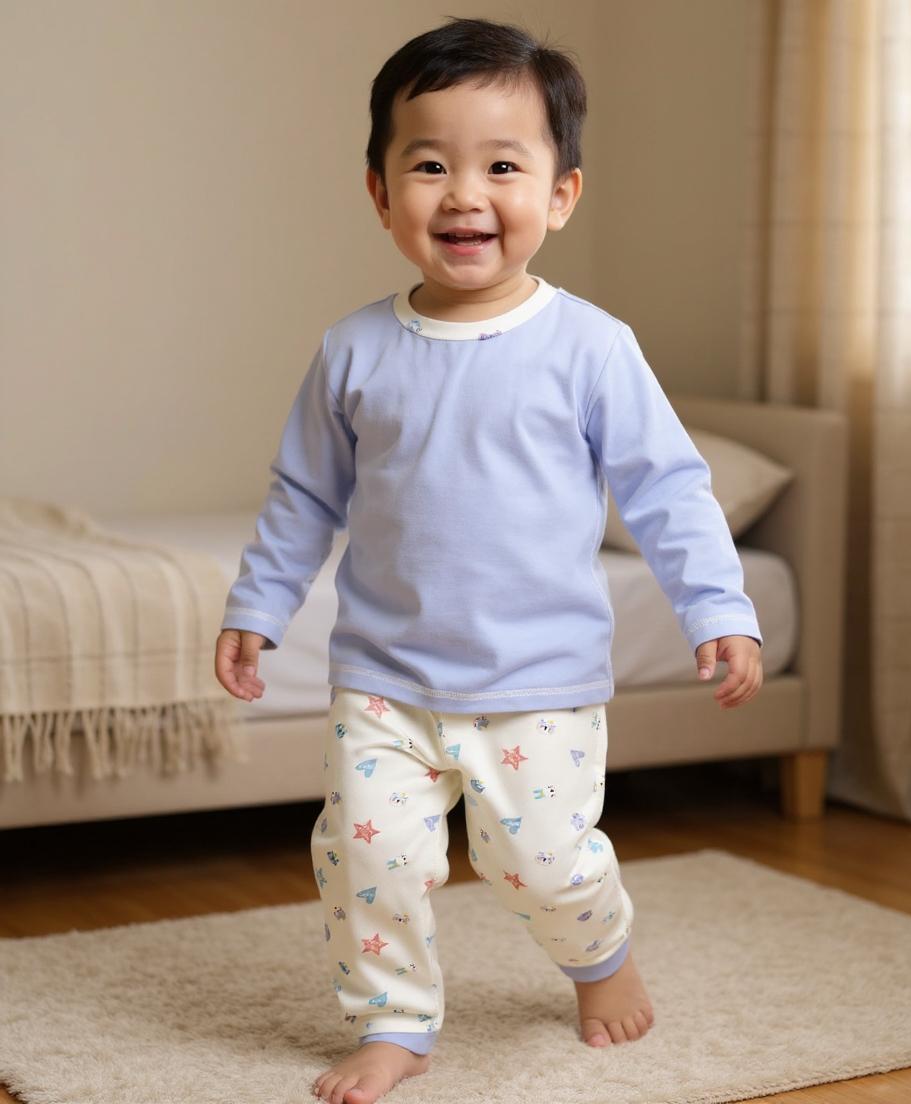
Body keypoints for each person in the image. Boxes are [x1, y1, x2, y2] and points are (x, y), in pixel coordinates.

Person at [214, 15, 764, 1104]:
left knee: (541, 864)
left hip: (537, 681)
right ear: (380, 194)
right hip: (385, 678)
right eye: (429, 166)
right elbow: (305, 496)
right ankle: (394, 1023)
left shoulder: (590, 347)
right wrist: (257, 605)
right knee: (365, 857)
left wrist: (718, 608)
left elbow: (665, 489)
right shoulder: (353, 351)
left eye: (502, 167)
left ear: (561, 195)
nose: (464, 194)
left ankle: (599, 954)